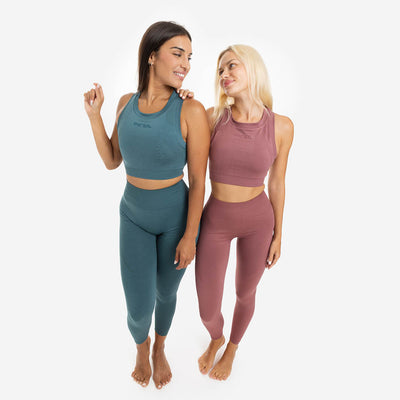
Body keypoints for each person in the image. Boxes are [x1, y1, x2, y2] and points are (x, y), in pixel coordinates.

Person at [83, 21, 209, 389]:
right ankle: (142, 345)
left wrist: (190, 236)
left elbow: (199, 181)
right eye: (177, 53)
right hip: (133, 217)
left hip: (176, 219)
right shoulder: (125, 103)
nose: (185, 63)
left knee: (166, 293)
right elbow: (112, 160)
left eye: (189, 57)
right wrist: (95, 116)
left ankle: (160, 346)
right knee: (138, 308)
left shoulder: (191, 110)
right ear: (152, 56)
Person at [195, 44, 294, 380]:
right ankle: (216, 337)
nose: (224, 74)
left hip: (258, 221)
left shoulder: (282, 126)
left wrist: (279, 234)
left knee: (244, 292)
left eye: (231, 66)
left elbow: (277, 183)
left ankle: (232, 349)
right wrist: (183, 102)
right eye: (220, 70)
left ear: (253, 68)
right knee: (207, 308)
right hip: (216, 221)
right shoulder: (211, 117)